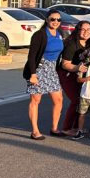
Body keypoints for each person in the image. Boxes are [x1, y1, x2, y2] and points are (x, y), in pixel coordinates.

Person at [24, 10, 65, 140]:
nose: (56, 22)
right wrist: (33, 74)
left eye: (58, 20)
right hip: (39, 68)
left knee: (58, 100)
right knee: (36, 100)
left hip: (52, 69)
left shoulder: (59, 34)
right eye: (53, 19)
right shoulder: (40, 34)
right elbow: (31, 56)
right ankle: (35, 131)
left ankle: (54, 128)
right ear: (47, 20)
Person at [58, 21, 90, 135]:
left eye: (89, 29)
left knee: (81, 100)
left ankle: (77, 127)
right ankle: (66, 128)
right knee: (76, 100)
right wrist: (77, 68)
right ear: (77, 30)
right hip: (67, 74)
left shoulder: (89, 44)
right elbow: (65, 64)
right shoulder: (72, 44)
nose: (86, 32)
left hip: (79, 75)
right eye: (83, 29)